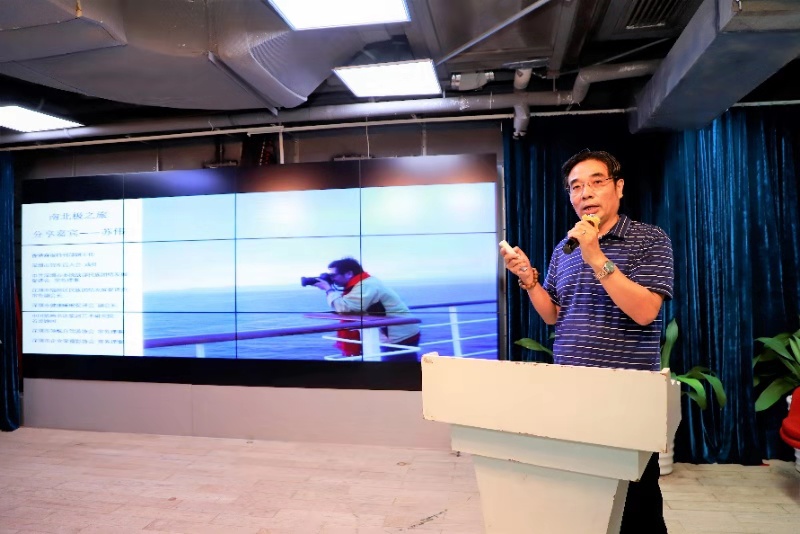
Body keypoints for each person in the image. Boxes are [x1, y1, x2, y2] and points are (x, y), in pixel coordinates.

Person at [500, 149, 674, 533]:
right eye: (576, 187)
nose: (586, 193)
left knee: (637, 500)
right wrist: (528, 279)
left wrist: (595, 255)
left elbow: (646, 311)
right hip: (573, 391)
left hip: (626, 394)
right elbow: (553, 314)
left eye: (597, 182)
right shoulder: (564, 250)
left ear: (619, 187)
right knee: (581, 496)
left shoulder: (649, 239)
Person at [313, 257, 421, 358]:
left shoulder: (366, 285)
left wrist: (328, 289)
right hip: (399, 331)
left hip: (398, 335)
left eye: (333, 275)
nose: (332, 279)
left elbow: (346, 309)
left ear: (349, 273)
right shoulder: (364, 282)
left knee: (395, 368)